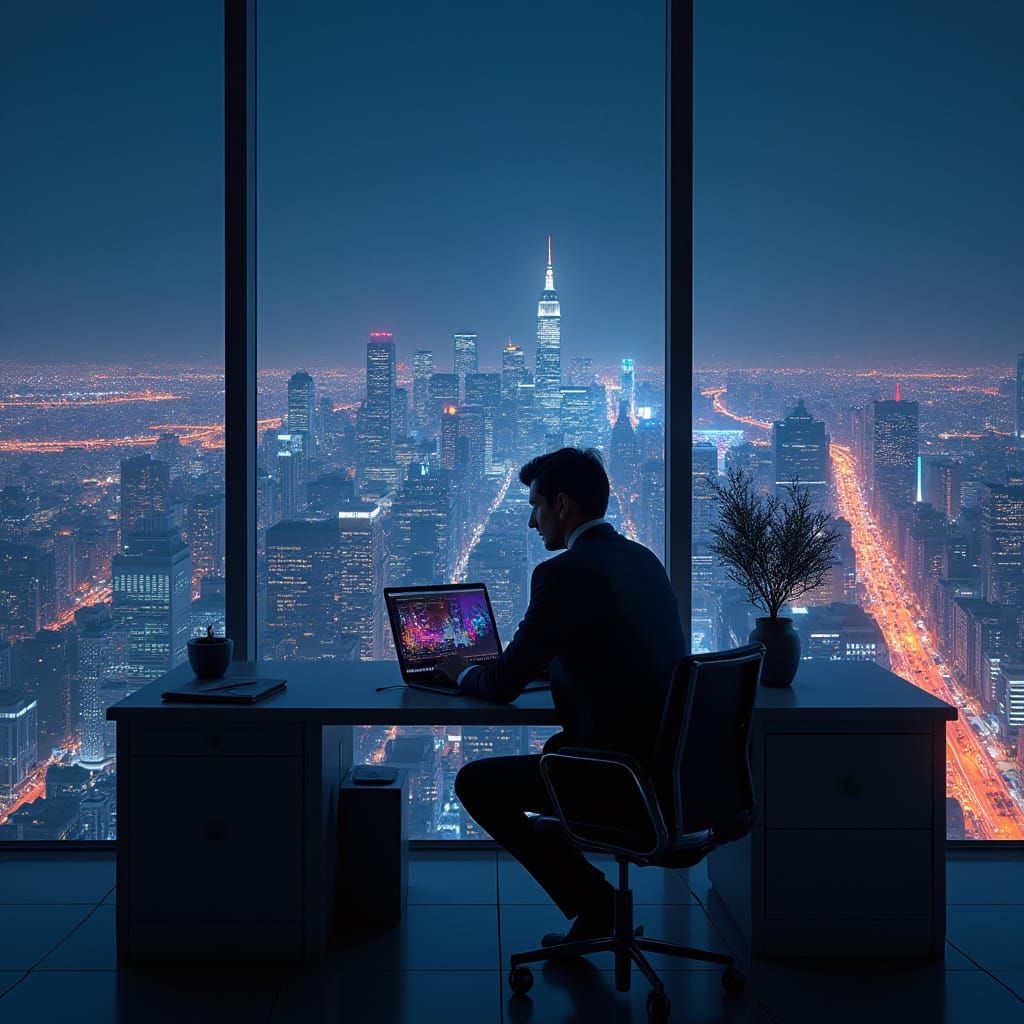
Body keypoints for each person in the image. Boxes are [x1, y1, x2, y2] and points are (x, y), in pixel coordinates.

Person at [440, 447, 687, 945]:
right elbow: (617, 645)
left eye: (536, 507)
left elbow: (503, 684)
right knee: (550, 761)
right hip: (671, 770)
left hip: (616, 776)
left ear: (563, 505)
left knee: (475, 784)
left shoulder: (563, 573)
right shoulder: (643, 560)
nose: (533, 523)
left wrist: (461, 671)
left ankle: (595, 906)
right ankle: (596, 905)